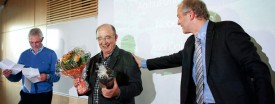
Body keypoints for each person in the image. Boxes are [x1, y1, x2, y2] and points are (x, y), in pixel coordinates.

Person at [132, 0, 275, 104]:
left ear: (190, 14)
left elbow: (258, 70)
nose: (178, 22)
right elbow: (173, 59)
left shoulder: (227, 31)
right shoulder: (190, 43)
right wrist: (143, 63)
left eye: (179, 17)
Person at [74, 24, 143, 104]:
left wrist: (118, 92)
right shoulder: (92, 60)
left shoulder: (127, 57)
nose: (103, 42)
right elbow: (92, 89)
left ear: (115, 37)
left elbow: (137, 87)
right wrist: (81, 85)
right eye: (100, 38)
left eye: (107, 37)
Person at [2, 28, 60, 104]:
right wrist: (9, 76)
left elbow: (57, 76)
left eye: (37, 42)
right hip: (26, 95)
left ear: (42, 39)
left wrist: (46, 77)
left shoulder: (52, 54)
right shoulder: (23, 55)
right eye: (31, 42)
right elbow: (17, 77)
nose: (34, 45)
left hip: (44, 95)